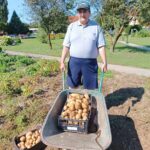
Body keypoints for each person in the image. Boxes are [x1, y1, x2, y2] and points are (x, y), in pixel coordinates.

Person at [60, 1, 107, 89]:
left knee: (90, 88)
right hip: (74, 62)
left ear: (89, 13)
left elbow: (101, 46)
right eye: (80, 12)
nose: (82, 14)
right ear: (78, 14)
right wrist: (62, 61)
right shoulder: (71, 27)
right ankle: (73, 101)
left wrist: (104, 62)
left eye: (84, 11)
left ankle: (88, 101)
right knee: (72, 86)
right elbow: (66, 45)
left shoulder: (96, 27)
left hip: (90, 63)